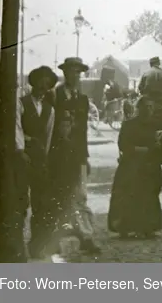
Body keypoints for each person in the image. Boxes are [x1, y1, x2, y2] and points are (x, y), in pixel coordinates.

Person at [46, 57, 99, 257]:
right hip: (59, 156)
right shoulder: (55, 96)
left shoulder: (82, 99)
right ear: (65, 73)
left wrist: (85, 157)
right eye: (71, 71)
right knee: (59, 196)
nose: (75, 75)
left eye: (78, 72)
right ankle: (58, 240)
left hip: (77, 156)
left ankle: (86, 237)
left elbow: (83, 131)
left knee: (81, 196)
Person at [107, 97, 162, 239]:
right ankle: (125, 226)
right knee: (128, 194)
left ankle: (148, 226)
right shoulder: (129, 125)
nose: (149, 110)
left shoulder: (154, 125)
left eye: (151, 107)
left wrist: (159, 145)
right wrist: (141, 150)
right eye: (146, 107)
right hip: (131, 164)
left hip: (150, 164)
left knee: (150, 195)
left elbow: (159, 145)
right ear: (140, 109)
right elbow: (123, 145)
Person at [20, 66, 57, 259]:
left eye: (47, 83)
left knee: (40, 203)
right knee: (20, 202)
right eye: (41, 81)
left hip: (39, 161)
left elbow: (48, 138)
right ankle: (17, 244)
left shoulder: (50, 110)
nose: (44, 86)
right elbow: (15, 131)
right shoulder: (21, 104)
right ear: (33, 82)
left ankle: (36, 244)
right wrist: (27, 141)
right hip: (22, 159)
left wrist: (45, 158)